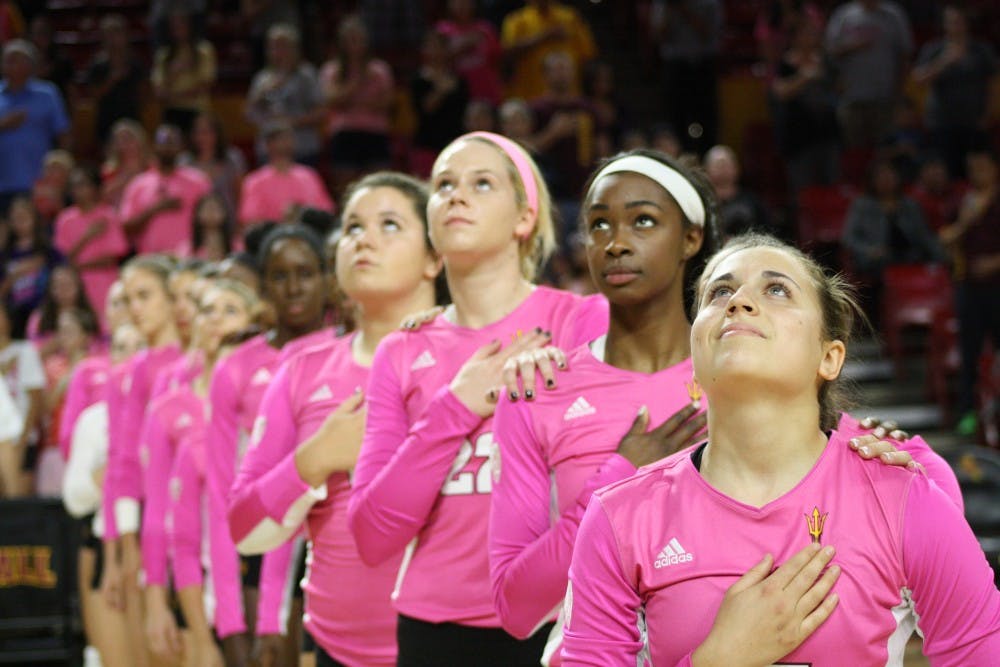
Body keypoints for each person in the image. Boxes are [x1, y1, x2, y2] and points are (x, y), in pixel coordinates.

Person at [561, 232, 1000, 665]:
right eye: (719, 292)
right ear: (693, 358)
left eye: (776, 289)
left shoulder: (903, 500)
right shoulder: (619, 519)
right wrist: (718, 660)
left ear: (829, 357)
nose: (738, 302)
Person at [347, 132, 608, 666]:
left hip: (561, 616)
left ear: (523, 218)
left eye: (481, 183)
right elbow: (372, 535)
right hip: (432, 628)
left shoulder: (582, 320)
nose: (456, 196)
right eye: (443, 185)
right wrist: (457, 405)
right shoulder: (402, 349)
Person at [229, 172, 446, 667]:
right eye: (351, 228)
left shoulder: (480, 362)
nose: (363, 239)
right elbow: (244, 528)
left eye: (389, 224)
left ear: (436, 257)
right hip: (335, 650)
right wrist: (315, 459)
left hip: (459, 647)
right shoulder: (303, 370)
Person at [206, 224, 331, 665]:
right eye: (279, 275)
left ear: (327, 278)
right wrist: (233, 623)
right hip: (258, 563)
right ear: (262, 286)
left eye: (305, 273)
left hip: (331, 555)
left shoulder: (353, 352)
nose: (293, 287)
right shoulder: (235, 368)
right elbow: (222, 501)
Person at [145, 279, 260, 667]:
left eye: (231, 311)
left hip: (265, 581)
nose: (216, 321)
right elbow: (162, 516)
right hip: (198, 586)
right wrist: (158, 599)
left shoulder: (271, 402)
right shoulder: (169, 408)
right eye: (208, 310)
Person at [99, 255, 182, 623]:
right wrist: (120, 550)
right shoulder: (131, 370)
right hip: (151, 527)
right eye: (129, 299)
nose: (134, 308)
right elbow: (123, 464)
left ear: (171, 297)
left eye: (144, 295)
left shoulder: (200, 360)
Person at [62, 321, 146, 667]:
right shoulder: (94, 419)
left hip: (159, 546)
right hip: (106, 544)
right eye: (120, 348)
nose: (128, 357)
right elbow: (74, 497)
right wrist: (108, 478)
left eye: (137, 346)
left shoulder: (167, 403)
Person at [939, 148, 1000, 437]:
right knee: (969, 353)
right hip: (969, 288)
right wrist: (966, 220)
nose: (978, 174)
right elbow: (944, 240)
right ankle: (967, 414)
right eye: (972, 168)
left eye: (983, 167)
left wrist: (994, 262)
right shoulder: (962, 201)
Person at [911, 5, 997, 180]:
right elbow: (918, 79)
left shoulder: (981, 50)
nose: (956, 25)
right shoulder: (934, 48)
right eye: (952, 22)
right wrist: (944, 62)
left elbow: (993, 85)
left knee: (976, 173)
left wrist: (988, 114)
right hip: (941, 122)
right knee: (947, 172)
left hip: (974, 122)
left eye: (959, 21)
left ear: (967, 24)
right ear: (944, 24)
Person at [319, 15, 395, 200]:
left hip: (375, 134)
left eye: (358, 38)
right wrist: (356, 83)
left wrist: (352, 102)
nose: (355, 44)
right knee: (346, 190)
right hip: (344, 136)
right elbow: (331, 100)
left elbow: (388, 104)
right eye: (350, 39)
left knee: (379, 186)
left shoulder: (379, 70)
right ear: (341, 42)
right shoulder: (332, 70)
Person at [825, 0, 912, 149]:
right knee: (852, 154)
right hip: (852, 99)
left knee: (884, 153)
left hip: (884, 99)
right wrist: (853, 47)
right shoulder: (844, 14)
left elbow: (904, 55)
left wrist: (899, 95)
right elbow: (829, 51)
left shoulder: (893, 15)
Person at [54, 167, 129, 334]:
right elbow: (64, 259)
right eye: (74, 185)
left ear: (95, 188)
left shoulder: (108, 215)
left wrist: (77, 267)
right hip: (76, 291)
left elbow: (111, 260)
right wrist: (87, 236)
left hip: (105, 286)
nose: (77, 190)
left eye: (83, 184)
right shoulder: (64, 219)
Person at [119, 124, 212, 256]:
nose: (168, 147)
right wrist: (155, 209)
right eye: (164, 142)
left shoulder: (198, 181)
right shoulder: (138, 184)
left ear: (181, 147)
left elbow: (212, 221)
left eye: (173, 143)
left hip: (189, 259)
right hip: (150, 262)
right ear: (154, 146)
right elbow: (126, 228)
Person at [0, 38, 70, 213]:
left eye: (16, 59)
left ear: (30, 65)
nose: (9, 64)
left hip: (39, 182)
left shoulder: (47, 94)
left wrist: (60, 177)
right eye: (7, 60)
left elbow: (64, 135)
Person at [648, 0, 723, 154]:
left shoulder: (710, 3)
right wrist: (671, 10)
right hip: (675, 67)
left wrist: (684, 10)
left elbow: (710, 33)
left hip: (703, 66)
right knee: (675, 120)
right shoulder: (663, 3)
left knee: (707, 121)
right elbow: (657, 36)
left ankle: (707, 162)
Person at [245, 23, 325, 166]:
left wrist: (292, 121)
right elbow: (249, 113)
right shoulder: (262, 78)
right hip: (269, 151)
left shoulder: (306, 75)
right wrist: (262, 93)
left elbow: (320, 112)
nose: (279, 51)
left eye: (283, 46)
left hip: (302, 148)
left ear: (295, 49)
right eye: (274, 47)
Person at [239, 122, 334, 229]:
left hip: (308, 235)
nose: (286, 142)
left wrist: (303, 214)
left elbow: (326, 211)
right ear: (268, 144)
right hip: (271, 238)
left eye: (288, 138)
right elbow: (250, 220)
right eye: (280, 138)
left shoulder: (309, 175)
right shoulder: (255, 181)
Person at [500, 0, 597, 101]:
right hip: (529, 97)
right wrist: (544, 36)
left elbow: (587, 55)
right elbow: (507, 54)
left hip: (569, 97)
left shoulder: (570, 17)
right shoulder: (516, 20)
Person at [0, 196, 64, 338]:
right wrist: (15, 276)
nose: (21, 222)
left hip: (46, 313)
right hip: (15, 317)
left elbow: (63, 276)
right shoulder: (5, 255)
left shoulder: (48, 251)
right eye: (16, 218)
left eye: (25, 216)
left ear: (34, 218)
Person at [410, 28, 470, 178]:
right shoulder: (418, 80)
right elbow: (424, 109)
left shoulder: (458, 80)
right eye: (431, 46)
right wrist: (441, 91)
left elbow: (463, 112)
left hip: (454, 143)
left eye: (440, 46)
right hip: (427, 144)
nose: (436, 51)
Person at [0, 300, 44, 497]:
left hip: (21, 437)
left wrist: (23, 438)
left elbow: (35, 398)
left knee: (18, 498)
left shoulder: (24, 351)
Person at [151, 9, 216, 135]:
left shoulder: (203, 50)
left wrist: (173, 97)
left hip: (197, 110)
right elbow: (159, 92)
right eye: (174, 26)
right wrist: (173, 73)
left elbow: (205, 85)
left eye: (182, 24)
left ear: (190, 26)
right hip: (171, 113)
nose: (178, 29)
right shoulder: (163, 55)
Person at [84, 14, 143, 145]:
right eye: (108, 34)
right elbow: (93, 95)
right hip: (106, 123)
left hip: (131, 120)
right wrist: (111, 80)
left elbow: (143, 94)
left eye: (117, 33)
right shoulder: (97, 65)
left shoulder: (134, 64)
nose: (113, 39)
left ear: (125, 36)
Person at [436, 0, 503, 105]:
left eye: (466, 2)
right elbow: (435, 61)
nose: (462, 5)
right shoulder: (442, 30)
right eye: (457, 2)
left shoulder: (485, 29)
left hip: (487, 94)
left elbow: (498, 60)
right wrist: (461, 49)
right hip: (455, 97)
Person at [179, 112, 248, 216]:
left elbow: (240, 194)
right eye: (197, 133)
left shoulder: (232, 158)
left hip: (229, 220)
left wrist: (240, 221)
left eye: (206, 132)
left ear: (217, 134)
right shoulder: (184, 161)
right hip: (194, 222)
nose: (201, 137)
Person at [703, 145, 772, 239]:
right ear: (706, 170)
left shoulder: (752, 202)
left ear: (737, 168)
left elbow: (767, 234)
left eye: (727, 165)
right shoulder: (702, 202)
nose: (723, 169)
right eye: (718, 165)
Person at [100, 119, 149, 208]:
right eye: (120, 140)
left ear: (139, 139)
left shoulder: (151, 166)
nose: (125, 144)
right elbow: (102, 197)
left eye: (129, 138)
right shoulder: (109, 169)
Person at [187, 192, 236, 261]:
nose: (211, 212)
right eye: (207, 208)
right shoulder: (188, 248)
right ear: (197, 214)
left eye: (215, 208)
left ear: (225, 213)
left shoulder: (236, 245)